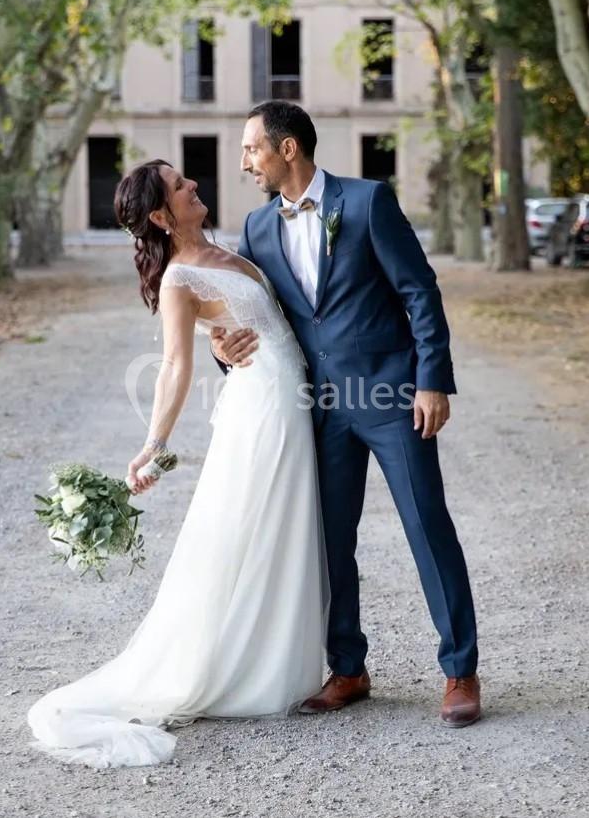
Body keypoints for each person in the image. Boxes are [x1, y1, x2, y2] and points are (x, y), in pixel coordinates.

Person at [26, 159, 328, 768]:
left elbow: (266, 318)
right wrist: (153, 444)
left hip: (289, 397)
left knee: (280, 531)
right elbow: (172, 365)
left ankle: (273, 660)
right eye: (181, 186)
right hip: (262, 409)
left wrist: (225, 338)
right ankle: (238, 669)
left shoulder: (235, 248)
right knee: (252, 531)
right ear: (163, 216)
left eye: (189, 178)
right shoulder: (178, 280)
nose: (195, 186)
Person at [212, 100, 480, 727]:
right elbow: (263, 321)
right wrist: (227, 351)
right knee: (330, 541)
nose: (245, 161)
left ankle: (460, 669)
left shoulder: (365, 203)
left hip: (391, 397)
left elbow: (419, 291)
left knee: (427, 527)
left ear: (287, 150)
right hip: (319, 408)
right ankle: (349, 667)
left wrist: (432, 380)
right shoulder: (256, 229)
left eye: (252, 148)